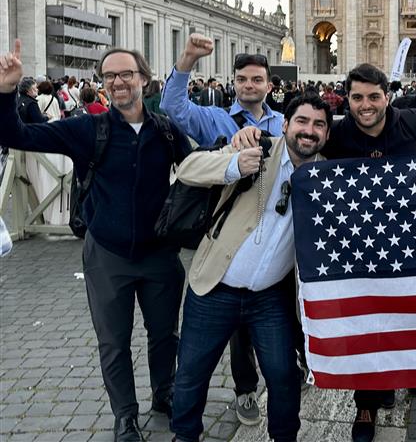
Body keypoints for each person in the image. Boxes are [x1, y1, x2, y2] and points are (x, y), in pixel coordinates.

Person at [232, 63, 416, 442]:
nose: (366, 104)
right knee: (368, 327)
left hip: (408, 243)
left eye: (374, 96)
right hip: (357, 246)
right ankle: (366, 405)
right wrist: (252, 132)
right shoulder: (336, 131)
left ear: (386, 97)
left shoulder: (413, 121)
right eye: (357, 97)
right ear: (347, 100)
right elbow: (297, 136)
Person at [0, 40, 191, 442]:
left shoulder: (167, 131)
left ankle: (165, 392)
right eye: (109, 76)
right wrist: (6, 91)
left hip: (160, 255)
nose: (118, 82)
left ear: (144, 79)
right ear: (102, 83)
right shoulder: (88, 128)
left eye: (126, 74)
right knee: (113, 342)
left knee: (164, 335)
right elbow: (17, 134)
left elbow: (195, 174)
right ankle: (125, 415)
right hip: (107, 255)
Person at [170, 93, 331, 442]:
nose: (309, 131)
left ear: (326, 135)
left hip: (269, 298)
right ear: (285, 124)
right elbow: (187, 169)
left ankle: (284, 437)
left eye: (319, 125)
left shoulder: (325, 176)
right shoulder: (256, 148)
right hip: (214, 287)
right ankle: (185, 436)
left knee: (283, 374)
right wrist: (233, 165)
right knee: (191, 374)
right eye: (302, 121)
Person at [160, 33, 284, 425]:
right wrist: (187, 60)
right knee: (235, 334)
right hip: (227, 241)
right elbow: (172, 106)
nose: (250, 85)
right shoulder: (214, 118)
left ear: (268, 84)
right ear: (235, 83)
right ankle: (246, 390)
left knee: (276, 323)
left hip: (277, 242)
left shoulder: (285, 122)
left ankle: (292, 370)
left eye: (257, 80)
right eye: (243, 79)